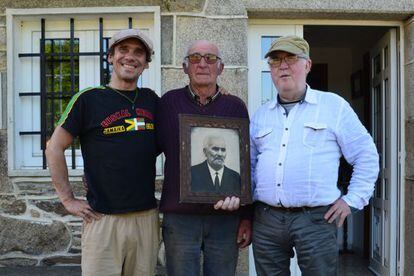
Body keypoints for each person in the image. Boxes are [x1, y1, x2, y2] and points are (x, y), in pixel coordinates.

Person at [250, 35, 379, 275]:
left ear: (307, 65)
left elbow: (366, 155)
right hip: (266, 219)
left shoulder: (333, 106)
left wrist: (352, 200)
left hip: (316, 220)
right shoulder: (261, 115)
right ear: (270, 69)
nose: (283, 65)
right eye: (276, 61)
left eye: (291, 58)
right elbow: (250, 165)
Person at [46, 29, 159, 276]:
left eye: (139, 52)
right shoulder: (88, 99)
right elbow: (54, 147)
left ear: (146, 64)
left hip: (146, 218)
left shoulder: (152, 101)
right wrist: (67, 199)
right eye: (123, 50)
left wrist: (217, 93)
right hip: (102, 219)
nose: (130, 57)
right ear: (110, 57)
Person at [157, 40, 252, 276]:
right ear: (184, 67)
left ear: (220, 68)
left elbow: (247, 163)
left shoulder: (235, 107)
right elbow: (144, 149)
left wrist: (246, 216)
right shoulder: (168, 103)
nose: (202, 64)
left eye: (210, 58)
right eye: (195, 58)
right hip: (180, 219)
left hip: (225, 219)